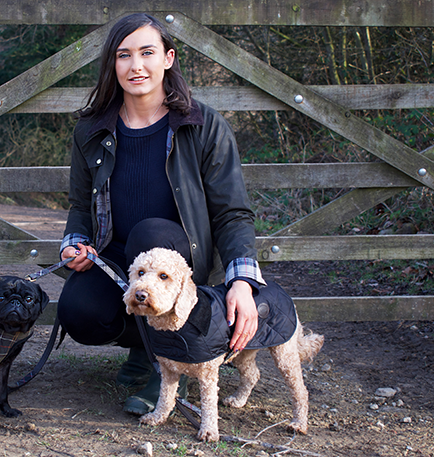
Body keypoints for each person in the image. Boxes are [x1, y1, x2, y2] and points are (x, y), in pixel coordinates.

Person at [57, 13, 265, 415]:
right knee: (78, 312)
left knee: (148, 232)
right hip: (118, 259)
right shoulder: (91, 130)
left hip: (180, 260)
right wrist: (74, 244)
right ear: (112, 65)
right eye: (124, 55)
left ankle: (164, 362)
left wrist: (242, 281)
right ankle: (145, 344)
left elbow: (233, 212)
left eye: (147, 52)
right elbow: (81, 205)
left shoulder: (202, 126)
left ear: (168, 58)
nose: (136, 66)